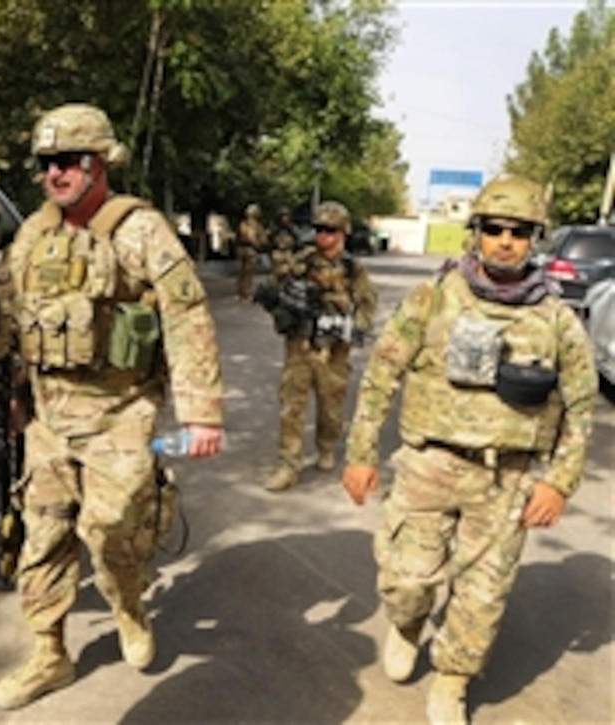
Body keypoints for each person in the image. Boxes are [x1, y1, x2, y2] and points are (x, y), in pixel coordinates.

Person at [0, 103, 226, 710]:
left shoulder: (140, 230)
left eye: (69, 161)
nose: (55, 174)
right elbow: (14, 321)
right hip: (48, 420)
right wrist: (11, 397)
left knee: (112, 534)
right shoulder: (33, 234)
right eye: (46, 164)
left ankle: (129, 606)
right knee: (41, 536)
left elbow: (186, 314)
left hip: (122, 414)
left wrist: (200, 412)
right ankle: (48, 652)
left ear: (101, 164)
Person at [341, 174, 596, 724]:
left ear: (537, 239)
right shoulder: (433, 297)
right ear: (476, 233)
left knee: (482, 599)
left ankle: (452, 680)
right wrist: (361, 452)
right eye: (496, 229)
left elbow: (580, 405)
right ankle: (408, 625)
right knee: (406, 581)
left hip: (506, 481)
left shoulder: (556, 319)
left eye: (521, 232)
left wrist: (558, 481)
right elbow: (382, 373)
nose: (507, 241)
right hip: (429, 465)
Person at [262, 200, 378, 492]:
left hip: (334, 351)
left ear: (343, 233)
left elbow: (367, 304)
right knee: (291, 406)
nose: (322, 236)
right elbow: (272, 289)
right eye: (318, 229)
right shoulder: (300, 261)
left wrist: (352, 323)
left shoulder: (353, 269)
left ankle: (326, 446)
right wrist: (279, 298)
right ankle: (288, 465)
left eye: (330, 230)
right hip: (299, 345)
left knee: (330, 409)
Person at [235, 203, 268, 300]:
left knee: (247, 272)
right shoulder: (246, 225)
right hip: (245, 249)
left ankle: (245, 292)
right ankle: (242, 292)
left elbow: (262, 239)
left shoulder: (254, 225)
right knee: (243, 272)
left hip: (248, 249)